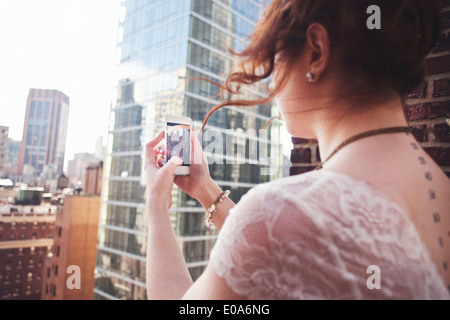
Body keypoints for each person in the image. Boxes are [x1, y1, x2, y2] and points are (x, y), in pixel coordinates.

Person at [144, 0, 450, 299]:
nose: (270, 83)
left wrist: (156, 206)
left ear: (316, 51)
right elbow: (290, 244)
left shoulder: (281, 211)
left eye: (273, 59)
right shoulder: (441, 188)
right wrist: (204, 190)